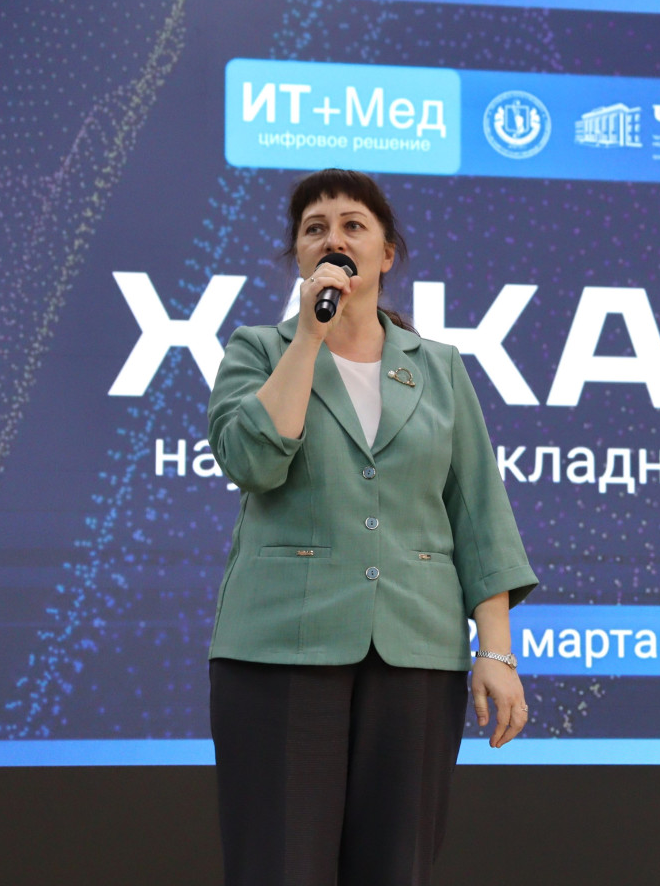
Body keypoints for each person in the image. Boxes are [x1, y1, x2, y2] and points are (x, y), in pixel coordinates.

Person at [206, 168, 537, 886]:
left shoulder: (440, 369)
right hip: (279, 647)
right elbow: (253, 461)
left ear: (386, 254)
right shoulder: (257, 349)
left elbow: (479, 514)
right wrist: (308, 338)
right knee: (279, 866)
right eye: (315, 229)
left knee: (396, 867)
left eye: (353, 225)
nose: (334, 238)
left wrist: (497, 653)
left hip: (416, 651)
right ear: (299, 257)